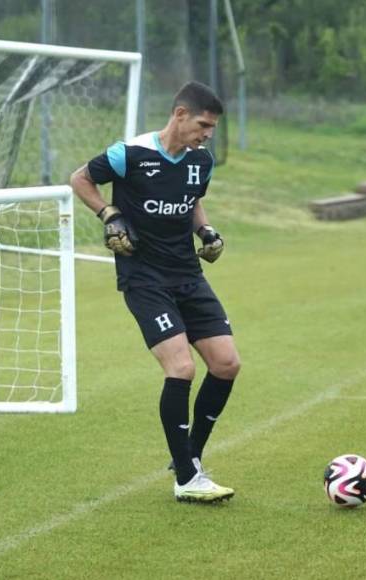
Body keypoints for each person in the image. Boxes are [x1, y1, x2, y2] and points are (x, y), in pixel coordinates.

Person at [70, 81, 240, 504]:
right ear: (179, 115)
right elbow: (80, 179)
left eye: (213, 128)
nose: (207, 134)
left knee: (226, 364)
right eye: (203, 124)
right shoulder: (129, 155)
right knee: (181, 369)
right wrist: (109, 213)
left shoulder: (200, 160)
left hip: (188, 274)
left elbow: (191, 199)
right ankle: (185, 478)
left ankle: (191, 457)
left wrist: (205, 229)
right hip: (144, 278)